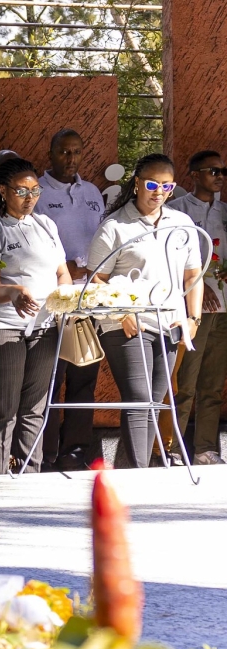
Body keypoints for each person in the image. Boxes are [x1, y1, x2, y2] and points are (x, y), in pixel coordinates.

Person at [87, 153, 202, 470]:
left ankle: (132, 469)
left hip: (170, 322)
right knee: (139, 399)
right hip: (125, 324)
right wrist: (120, 311)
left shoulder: (181, 223)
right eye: (152, 183)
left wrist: (193, 317)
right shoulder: (115, 226)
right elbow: (96, 278)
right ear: (137, 183)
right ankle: (139, 474)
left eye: (167, 185)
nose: (158, 191)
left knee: (154, 400)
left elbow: (193, 274)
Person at [0, 158, 70, 475]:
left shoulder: (46, 225)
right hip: (3, 325)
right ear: (3, 191)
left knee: (35, 408)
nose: (30, 198)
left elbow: (62, 274)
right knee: (3, 408)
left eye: (35, 190)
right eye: (21, 191)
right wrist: (15, 292)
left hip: (45, 325)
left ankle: (31, 475)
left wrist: (65, 299)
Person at [36, 128, 105, 471]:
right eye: (64, 152)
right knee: (51, 378)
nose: (71, 159)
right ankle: (45, 453)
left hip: (87, 300)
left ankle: (75, 450)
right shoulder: (38, 189)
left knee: (84, 377)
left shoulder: (92, 192)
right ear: (50, 153)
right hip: (52, 300)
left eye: (77, 152)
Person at [166, 150, 227, 465]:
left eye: (222, 171)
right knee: (185, 385)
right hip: (192, 310)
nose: (219, 176)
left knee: (212, 387)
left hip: (224, 309)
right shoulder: (176, 212)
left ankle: (205, 449)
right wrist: (196, 291)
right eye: (212, 171)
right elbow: (170, 264)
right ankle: (174, 450)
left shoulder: (225, 212)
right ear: (193, 174)